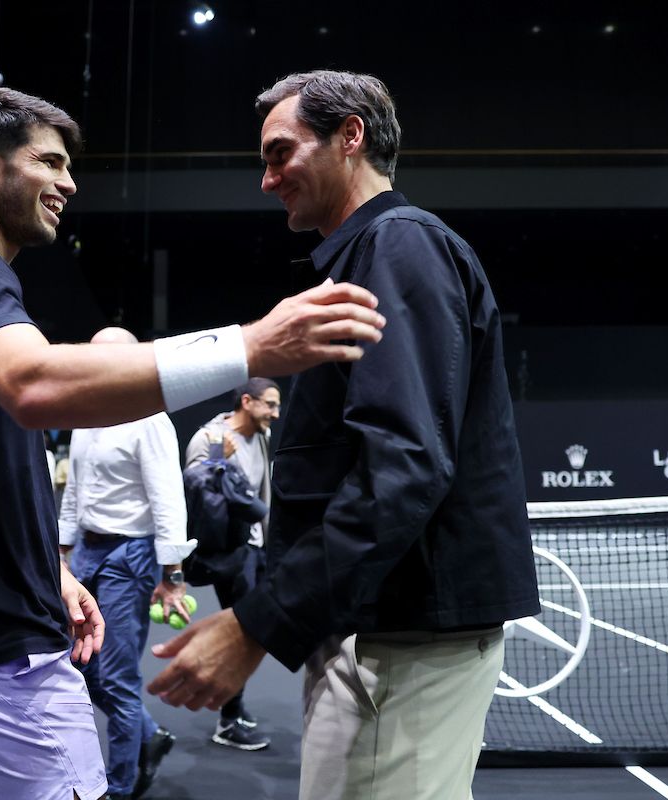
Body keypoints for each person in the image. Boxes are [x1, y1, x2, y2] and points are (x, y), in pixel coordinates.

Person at [0, 86, 384, 800]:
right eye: (50, 162)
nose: (68, 183)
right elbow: (33, 386)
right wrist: (251, 345)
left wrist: (48, 570)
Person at [147, 70, 540, 800]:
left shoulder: (399, 246)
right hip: (376, 635)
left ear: (349, 136)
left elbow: (404, 467)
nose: (267, 180)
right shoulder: (372, 255)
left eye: (279, 153)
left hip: (402, 645)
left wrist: (257, 624)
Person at [58, 327, 193, 800]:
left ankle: (117, 787)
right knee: (80, 667)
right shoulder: (84, 416)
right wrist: (62, 553)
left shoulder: (149, 418)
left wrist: (172, 576)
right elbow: (75, 491)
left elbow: (168, 499)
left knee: (116, 676)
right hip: (89, 552)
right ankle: (148, 735)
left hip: (130, 555)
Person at [181, 377, 280, 750]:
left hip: (256, 547)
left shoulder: (262, 438)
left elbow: (260, 492)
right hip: (227, 552)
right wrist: (218, 459)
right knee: (242, 630)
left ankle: (233, 707)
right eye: (270, 404)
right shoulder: (208, 439)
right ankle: (228, 719)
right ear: (246, 401)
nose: (276, 412)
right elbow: (194, 490)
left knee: (251, 629)